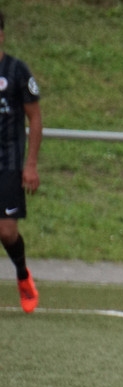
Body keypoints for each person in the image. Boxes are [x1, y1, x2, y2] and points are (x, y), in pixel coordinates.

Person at [0, 10, 42, 314]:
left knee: (7, 232)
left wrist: (30, 165)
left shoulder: (17, 71)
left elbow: (35, 118)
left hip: (9, 162)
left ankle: (23, 275)